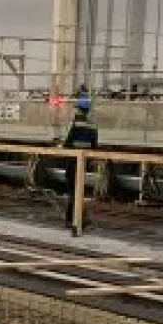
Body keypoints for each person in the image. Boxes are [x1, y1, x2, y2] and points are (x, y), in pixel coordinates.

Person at [60, 88, 98, 230]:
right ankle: (80, 218)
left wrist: (61, 148)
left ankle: (72, 220)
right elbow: (94, 146)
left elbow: (66, 143)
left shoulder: (74, 123)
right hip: (84, 162)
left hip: (73, 160)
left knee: (72, 191)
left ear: (80, 109)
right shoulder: (93, 125)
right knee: (78, 190)